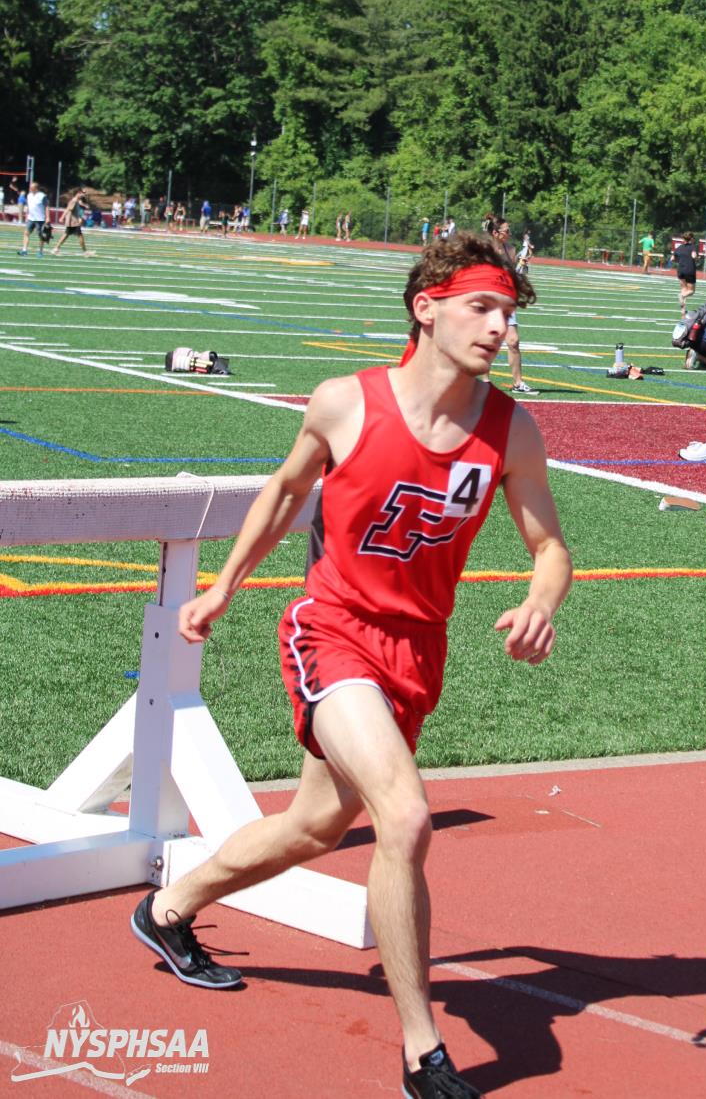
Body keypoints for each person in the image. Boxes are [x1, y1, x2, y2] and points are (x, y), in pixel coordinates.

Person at [128, 231, 572, 1099]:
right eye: (483, 307)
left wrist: (541, 601)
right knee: (404, 819)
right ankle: (422, 1053)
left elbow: (550, 546)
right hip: (332, 628)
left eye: (509, 313)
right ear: (427, 308)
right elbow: (287, 491)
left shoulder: (510, 429)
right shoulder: (345, 403)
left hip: (418, 650)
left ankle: (167, 908)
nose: (499, 328)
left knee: (316, 826)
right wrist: (224, 587)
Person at [488, 219, 538, 394]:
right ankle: (483, 382)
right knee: (486, 341)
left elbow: (513, 273)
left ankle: (518, 383)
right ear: (495, 233)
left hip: (505, 298)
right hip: (488, 299)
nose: (509, 233)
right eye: (506, 231)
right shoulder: (485, 249)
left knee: (513, 341)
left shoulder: (510, 249)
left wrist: (521, 265)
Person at [51, 189, 92, 256]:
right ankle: (85, 252)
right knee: (80, 236)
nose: (83, 195)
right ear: (78, 193)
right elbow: (68, 209)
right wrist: (62, 217)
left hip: (72, 222)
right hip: (73, 223)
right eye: (82, 193)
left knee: (65, 235)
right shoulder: (74, 201)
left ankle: (56, 248)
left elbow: (73, 208)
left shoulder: (77, 201)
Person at [18, 180, 49, 256]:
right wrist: (26, 215)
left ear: (36, 188)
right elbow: (29, 206)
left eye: (31, 188)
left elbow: (46, 206)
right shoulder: (29, 195)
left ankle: (40, 251)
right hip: (31, 218)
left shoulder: (42, 196)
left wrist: (48, 217)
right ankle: (24, 250)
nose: (30, 189)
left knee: (40, 235)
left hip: (40, 219)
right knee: (26, 233)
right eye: (30, 187)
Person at [672, 232, 698, 307]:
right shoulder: (693, 246)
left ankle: (683, 310)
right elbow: (693, 256)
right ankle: (681, 296)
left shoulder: (679, 247)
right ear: (691, 239)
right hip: (689, 270)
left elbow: (672, 259)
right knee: (691, 291)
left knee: (684, 289)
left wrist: (680, 260)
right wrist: (696, 258)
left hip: (680, 270)